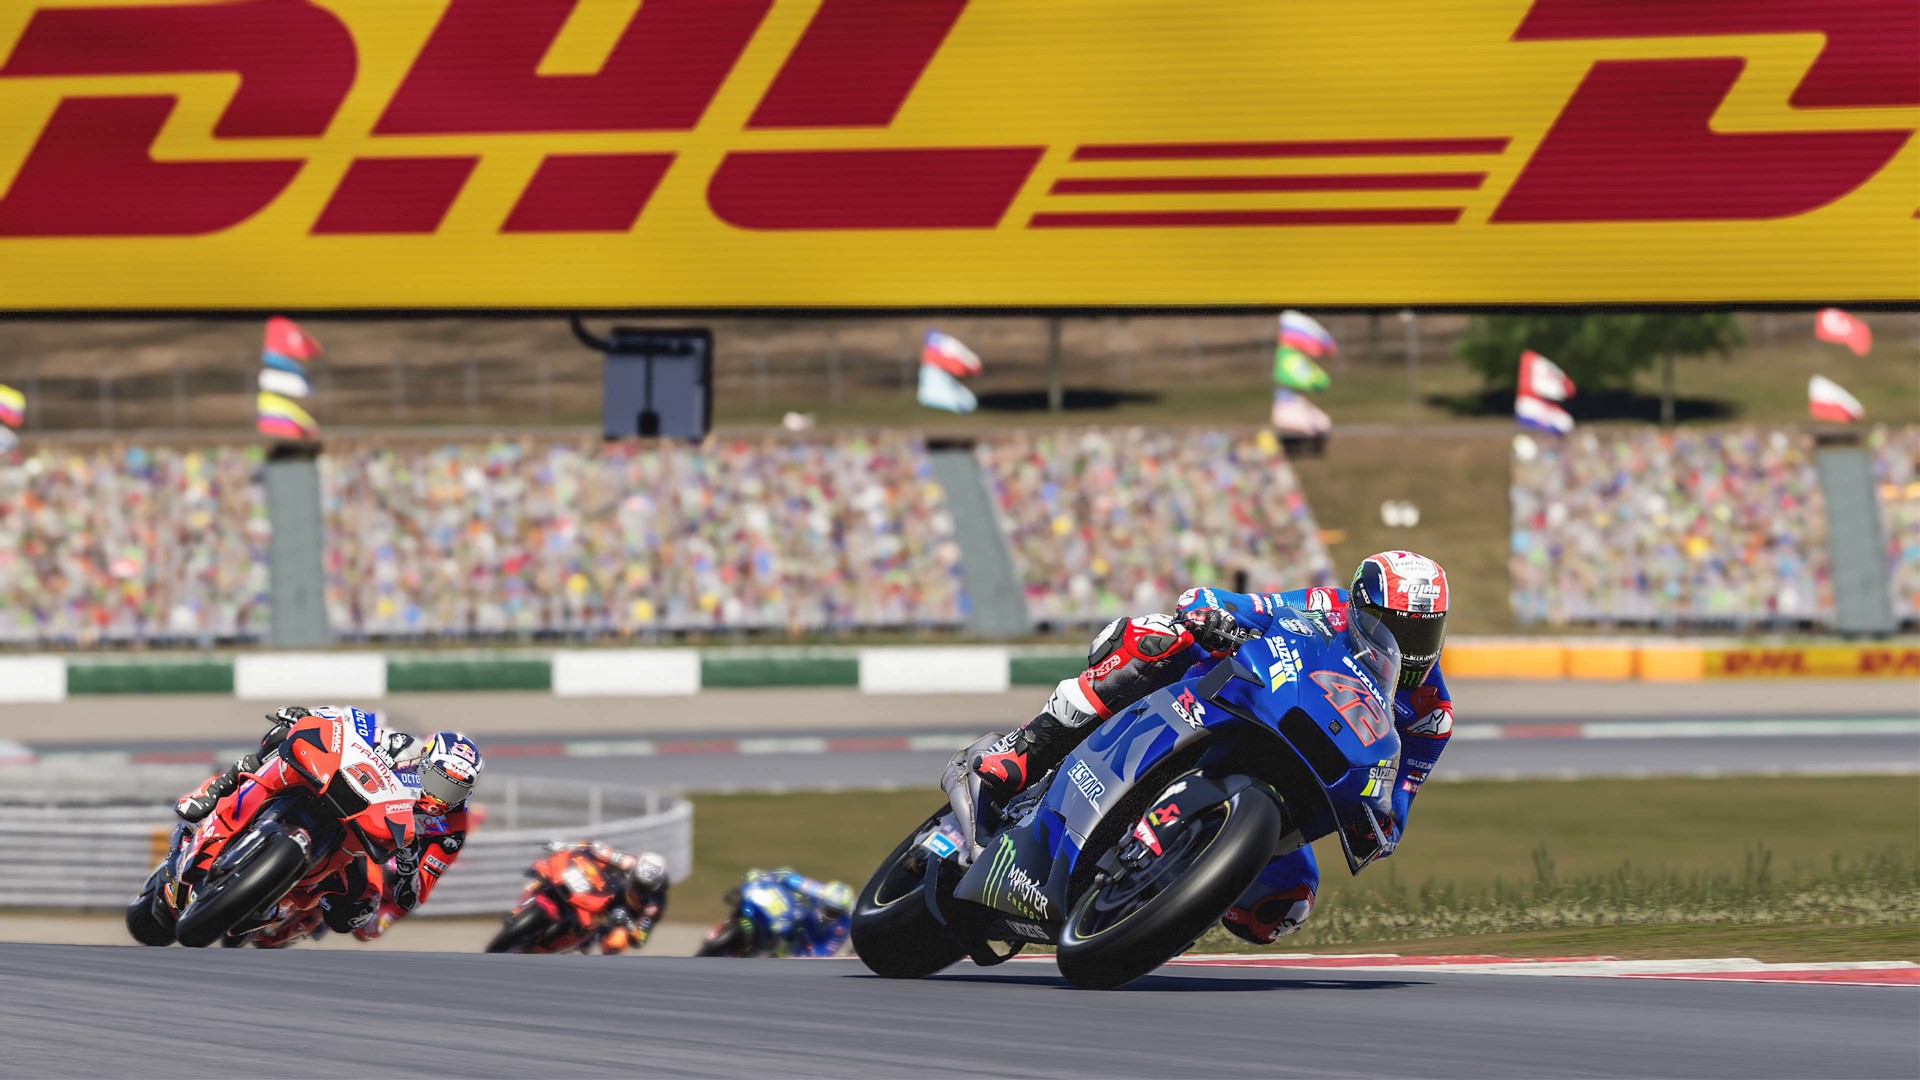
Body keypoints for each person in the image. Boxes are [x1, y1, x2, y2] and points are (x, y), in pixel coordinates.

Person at [962, 551, 1454, 945]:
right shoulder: (1327, 606)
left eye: (1423, 630)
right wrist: (1211, 613)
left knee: (1281, 908)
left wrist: (1376, 824)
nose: (1410, 645)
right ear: (1361, 610)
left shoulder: (1431, 714)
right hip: (1224, 699)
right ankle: (1023, 749)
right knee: (1157, 638)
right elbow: (1239, 604)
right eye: (1397, 627)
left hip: (1294, 781)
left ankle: (1165, 902)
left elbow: (1396, 806)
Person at [174, 708, 481, 935]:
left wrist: (408, 866)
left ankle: (282, 906)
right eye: (440, 783)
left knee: (354, 913)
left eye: (454, 790)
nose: (441, 799)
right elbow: (354, 724)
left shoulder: (452, 830)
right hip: (337, 789)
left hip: (365, 842)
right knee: (287, 734)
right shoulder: (403, 746)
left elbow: (411, 896)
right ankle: (219, 789)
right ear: (425, 762)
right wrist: (314, 715)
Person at [531, 841, 672, 954]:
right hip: (605, 891)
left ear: (655, 886)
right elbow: (596, 848)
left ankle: (586, 941)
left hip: (621, 916)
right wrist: (567, 846)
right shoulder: (628, 861)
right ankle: (534, 895)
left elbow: (640, 940)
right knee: (556, 869)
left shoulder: (653, 906)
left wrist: (628, 924)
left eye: (643, 886)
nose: (638, 886)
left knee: (616, 943)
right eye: (637, 880)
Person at [739, 869, 854, 957]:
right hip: (792, 916)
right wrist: (766, 876)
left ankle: (773, 953)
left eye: (836, 912)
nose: (831, 914)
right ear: (822, 900)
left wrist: (808, 955)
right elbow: (789, 877)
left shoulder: (843, 925)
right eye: (829, 909)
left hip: (808, 940)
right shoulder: (816, 891)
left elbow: (827, 950)